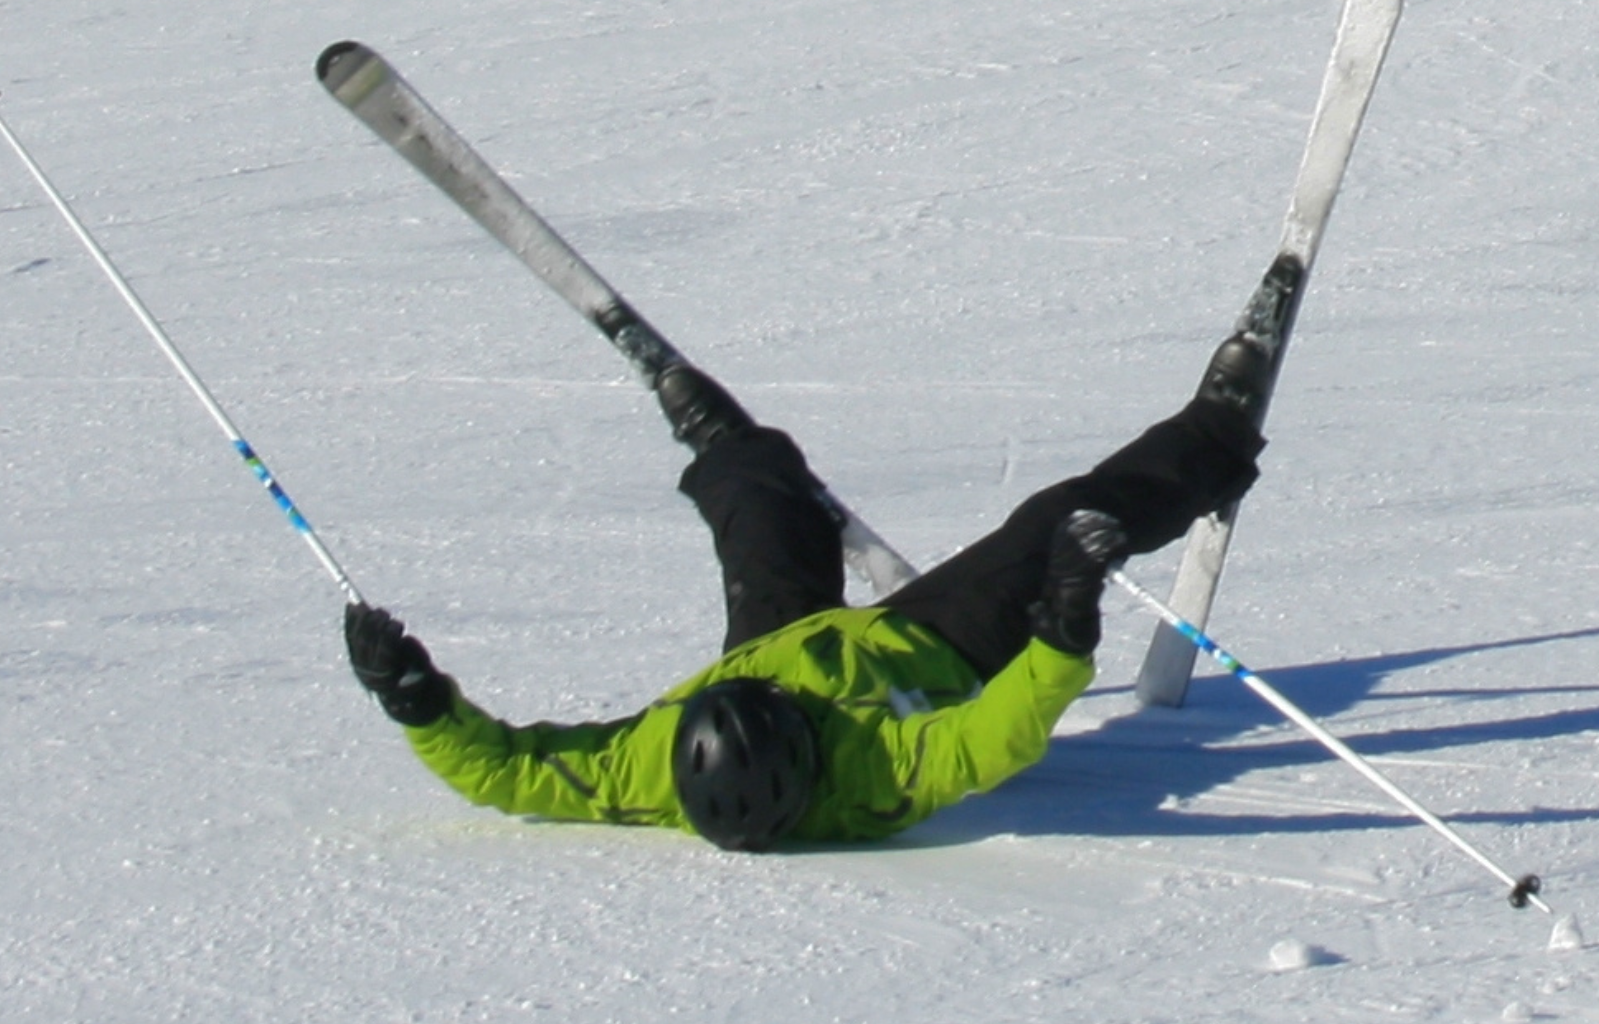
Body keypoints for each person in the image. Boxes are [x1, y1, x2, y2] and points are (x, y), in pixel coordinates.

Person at [344, 333, 1269, 849]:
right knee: (1060, 519)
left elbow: (510, 773)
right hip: (933, 647)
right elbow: (1000, 735)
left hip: (784, 635)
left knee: (758, 503)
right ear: (812, 748)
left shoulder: (651, 765)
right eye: (791, 710)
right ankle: (1211, 439)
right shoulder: (880, 778)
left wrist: (417, 702)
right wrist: (1065, 620)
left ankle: (731, 449)